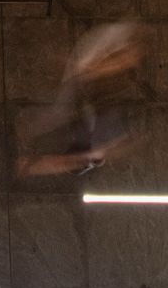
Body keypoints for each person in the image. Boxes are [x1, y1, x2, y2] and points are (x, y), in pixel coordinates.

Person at [16, 22, 143, 178]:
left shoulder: (95, 138)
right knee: (61, 114)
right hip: (89, 85)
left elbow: (61, 162)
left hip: (88, 87)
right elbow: (62, 162)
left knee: (60, 113)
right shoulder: (98, 140)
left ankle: (25, 137)